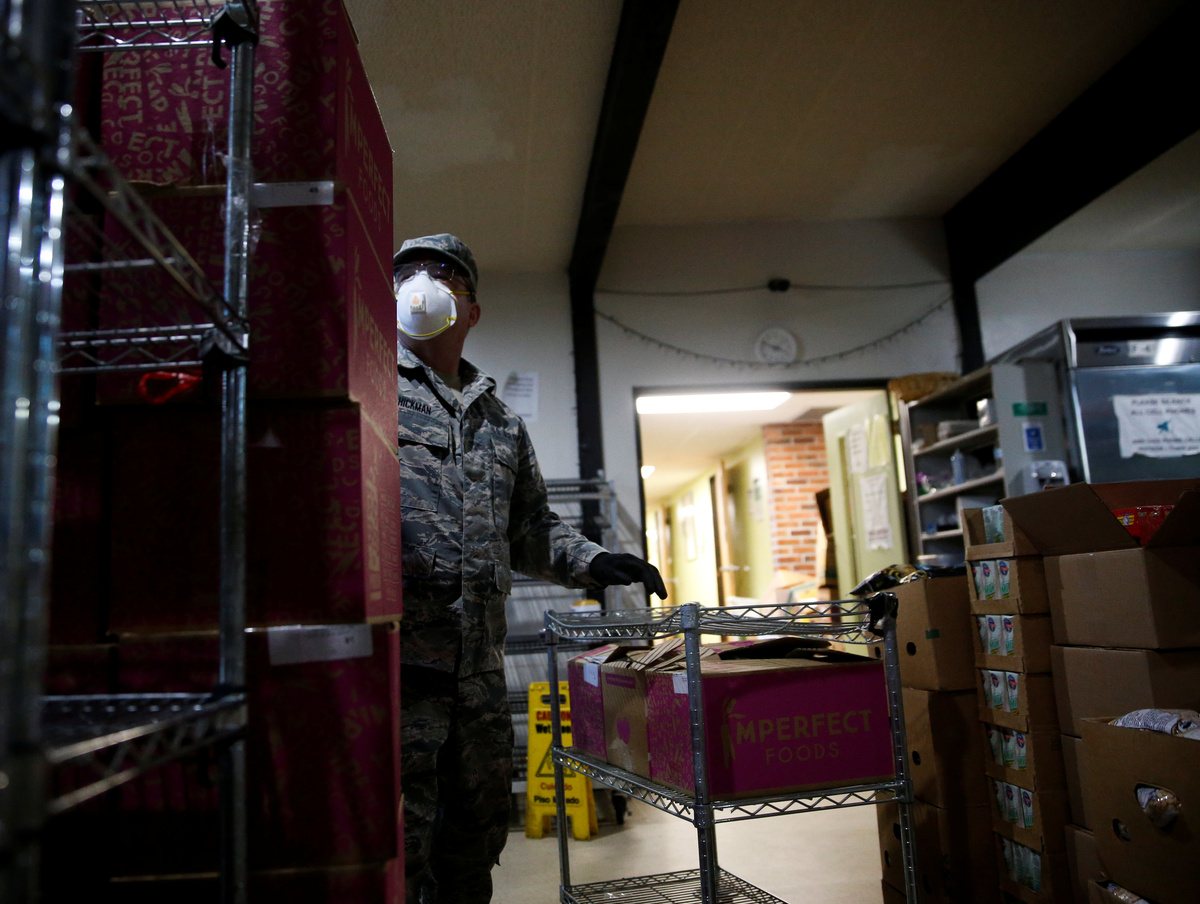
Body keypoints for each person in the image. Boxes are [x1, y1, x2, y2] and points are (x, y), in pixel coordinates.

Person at [393, 233, 666, 904]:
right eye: (406, 273)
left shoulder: (501, 423)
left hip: (477, 679)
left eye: (440, 272)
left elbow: (531, 528)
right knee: (398, 846)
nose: (420, 283)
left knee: (475, 842)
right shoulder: (370, 391)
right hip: (399, 678)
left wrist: (599, 560)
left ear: (471, 308)